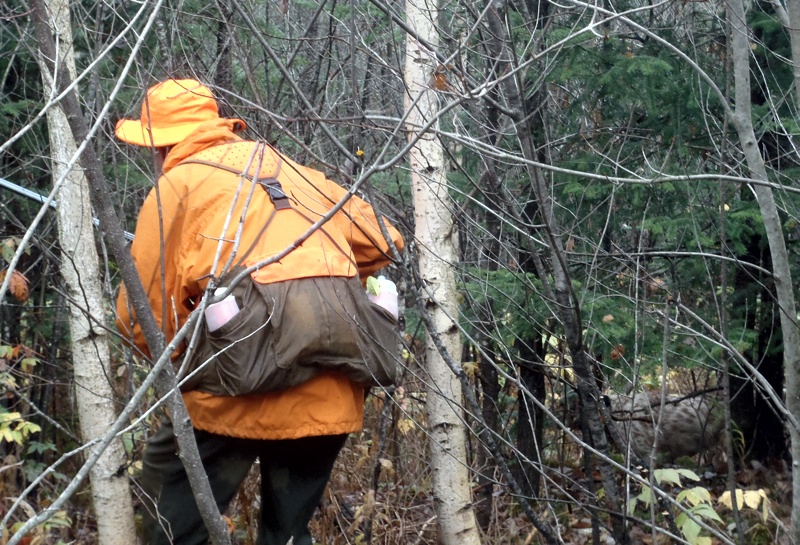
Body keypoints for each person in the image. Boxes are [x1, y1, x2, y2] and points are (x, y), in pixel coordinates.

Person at [115, 78, 404, 545]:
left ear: (160, 144)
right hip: (329, 394)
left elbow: (142, 316)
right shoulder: (290, 169)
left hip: (229, 399)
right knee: (287, 537)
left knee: (167, 528)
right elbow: (384, 240)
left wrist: (179, 369)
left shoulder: (177, 185)